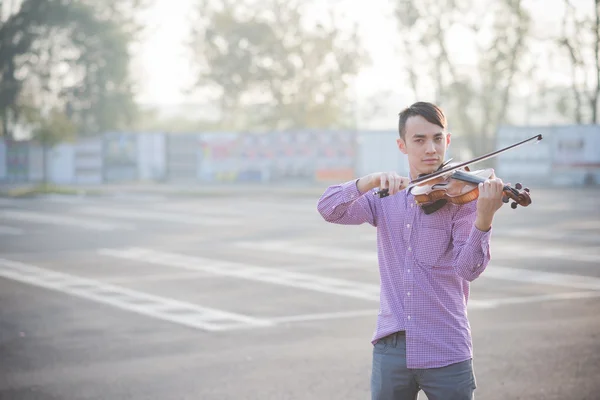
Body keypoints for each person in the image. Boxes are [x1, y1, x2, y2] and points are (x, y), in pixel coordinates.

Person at [316, 102, 505, 400]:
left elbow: (468, 270)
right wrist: (368, 181)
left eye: (437, 138)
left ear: (448, 140)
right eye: (419, 140)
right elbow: (328, 209)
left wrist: (485, 218)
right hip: (391, 349)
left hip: (446, 348)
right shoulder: (384, 197)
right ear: (402, 145)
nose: (431, 148)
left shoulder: (463, 200)